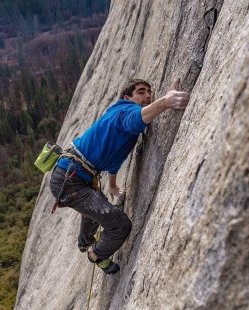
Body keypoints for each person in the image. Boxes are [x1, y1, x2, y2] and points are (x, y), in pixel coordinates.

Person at [50, 78, 190, 274]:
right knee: (119, 224)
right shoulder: (123, 111)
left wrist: (113, 185)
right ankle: (97, 255)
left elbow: (114, 160)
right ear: (127, 97)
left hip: (77, 175)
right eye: (141, 92)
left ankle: (85, 242)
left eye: (149, 93)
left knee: (96, 207)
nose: (147, 96)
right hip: (70, 179)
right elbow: (134, 118)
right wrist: (165, 102)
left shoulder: (124, 127)